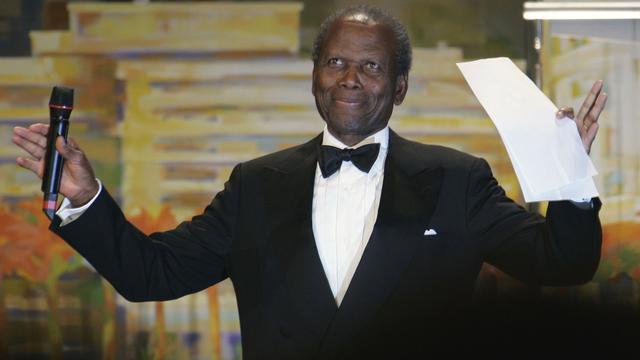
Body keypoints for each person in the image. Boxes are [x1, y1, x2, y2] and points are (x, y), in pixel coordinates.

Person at [12, 5, 608, 358]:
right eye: (336, 62)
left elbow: (562, 262)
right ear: (315, 77)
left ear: (398, 88)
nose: (351, 78)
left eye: (372, 66)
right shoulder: (255, 184)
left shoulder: (458, 180)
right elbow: (150, 275)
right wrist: (86, 199)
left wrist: (571, 176)